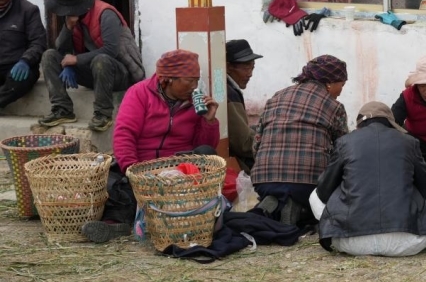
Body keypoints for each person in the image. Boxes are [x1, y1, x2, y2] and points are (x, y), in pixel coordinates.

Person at [81, 49, 221, 243]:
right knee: (112, 182)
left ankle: (185, 219)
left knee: (207, 154)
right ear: (168, 79)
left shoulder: (195, 104)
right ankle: (115, 224)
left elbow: (203, 147)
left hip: (178, 172)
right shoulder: (139, 93)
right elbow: (124, 134)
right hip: (142, 169)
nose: (194, 86)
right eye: (190, 81)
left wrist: (209, 121)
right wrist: (134, 172)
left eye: (196, 81)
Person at [310, 101, 426, 256]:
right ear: (391, 124)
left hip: (349, 241)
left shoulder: (344, 142)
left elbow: (323, 192)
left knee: (314, 195)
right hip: (409, 242)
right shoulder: (409, 142)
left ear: (359, 126)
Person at [251, 54, 349, 230]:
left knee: (282, 190)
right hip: (308, 183)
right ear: (329, 82)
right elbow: (343, 150)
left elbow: (257, 142)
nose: (341, 91)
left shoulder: (277, 96)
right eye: (341, 84)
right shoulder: (335, 107)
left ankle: (274, 201)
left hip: (264, 178)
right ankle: (298, 208)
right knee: (314, 198)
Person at [39, 0, 144, 132]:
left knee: (101, 60)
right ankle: (62, 109)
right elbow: (61, 48)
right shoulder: (72, 18)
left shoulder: (106, 14)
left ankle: (103, 114)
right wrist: (68, 28)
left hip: (119, 74)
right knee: (49, 56)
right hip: (93, 73)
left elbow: (111, 50)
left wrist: (76, 59)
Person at [0, 0, 47, 111]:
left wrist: (25, 61)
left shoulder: (28, 10)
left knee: (19, 81)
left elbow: (38, 42)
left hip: (18, 66)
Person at [225, 39, 263, 173]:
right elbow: (243, 143)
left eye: (252, 67)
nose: (250, 74)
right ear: (228, 67)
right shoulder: (229, 93)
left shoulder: (230, 89)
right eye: (246, 68)